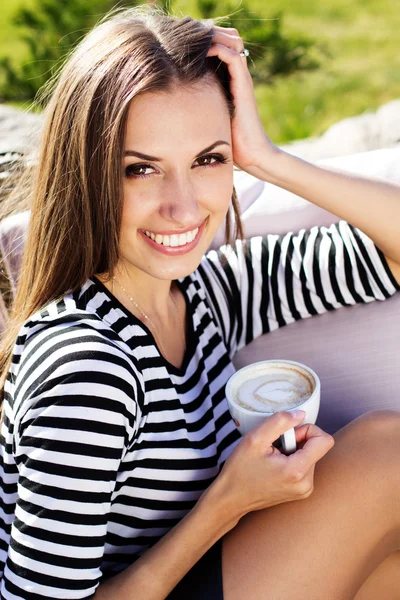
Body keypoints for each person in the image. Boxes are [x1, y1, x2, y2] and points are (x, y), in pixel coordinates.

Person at [0, 6, 399, 599]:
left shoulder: (205, 294)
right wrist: (227, 503)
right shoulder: (88, 370)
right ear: (84, 175)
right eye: (140, 170)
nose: (184, 208)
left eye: (208, 159)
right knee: (383, 456)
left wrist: (267, 158)